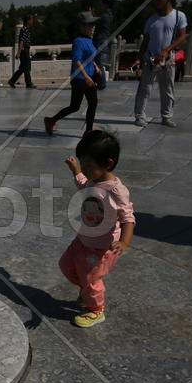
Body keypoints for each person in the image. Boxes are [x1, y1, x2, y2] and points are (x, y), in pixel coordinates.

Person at [59, 130, 135, 327]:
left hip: (101, 247)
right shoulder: (94, 179)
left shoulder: (116, 190)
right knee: (66, 266)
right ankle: (87, 292)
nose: (85, 169)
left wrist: (124, 242)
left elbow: (128, 217)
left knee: (91, 280)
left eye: (88, 165)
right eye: (82, 163)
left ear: (108, 164)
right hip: (83, 238)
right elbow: (84, 185)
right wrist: (76, 170)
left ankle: (96, 310)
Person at [132, 0, 187, 128]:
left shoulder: (178, 16)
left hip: (168, 59)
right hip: (150, 58)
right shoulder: (151, 19)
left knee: (167, 89)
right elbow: (146, 40)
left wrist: (167, 49)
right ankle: (139, 116)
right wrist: (139, 57)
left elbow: (182, 36)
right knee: (145, 88)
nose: (156, 1)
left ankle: (166, 116)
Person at [44, 12, 100, 136]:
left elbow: (89, 57)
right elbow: (76, 61)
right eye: (89, 25)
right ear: (81, 26)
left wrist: (95, 67)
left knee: (93, 102)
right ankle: (51, 120)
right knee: (75, 106)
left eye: (92, 25)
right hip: (80, 78)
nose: (92, 27)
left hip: (89, 77)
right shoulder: (78, 41)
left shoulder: (89, 40)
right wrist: (86, 77)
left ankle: (88, 130)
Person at [92, 0, 115, 90]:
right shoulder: (109, 15)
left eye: (102, 4)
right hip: (103, 40)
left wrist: (92, 13)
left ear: (106, 5)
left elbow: (94, 21)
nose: (100, 6)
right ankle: (100, 82)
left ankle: (101, 83)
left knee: (98, 63)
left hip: (100, 41)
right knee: (98, 63)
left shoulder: (105, 16)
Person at [8, 14, 36, 88]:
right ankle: (29, 83)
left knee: (22, 68)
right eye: (31, 19)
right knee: (26, 67)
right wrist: (18, 52)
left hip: (26, 50)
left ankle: (12, 81)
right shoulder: (24, 29)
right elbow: (21, 42)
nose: (32, 21)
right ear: (28, 20)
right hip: (24, 50)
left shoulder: (26, 29)